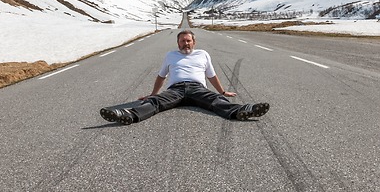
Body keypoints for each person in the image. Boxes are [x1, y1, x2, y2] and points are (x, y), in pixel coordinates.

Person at [100, 29, 269, 125]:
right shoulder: (170, 55)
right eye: (182, 41)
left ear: (194, 42)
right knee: (155, 102)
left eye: (188, 41)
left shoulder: (203, 54)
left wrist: (223, 91)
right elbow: (161, 77)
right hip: (176, 90)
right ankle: (128, 115)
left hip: (198, 89)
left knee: (217, 100)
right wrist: (153, 93)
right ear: (178, 43)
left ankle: (242, 111)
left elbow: (211, 75)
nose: (185, 44)